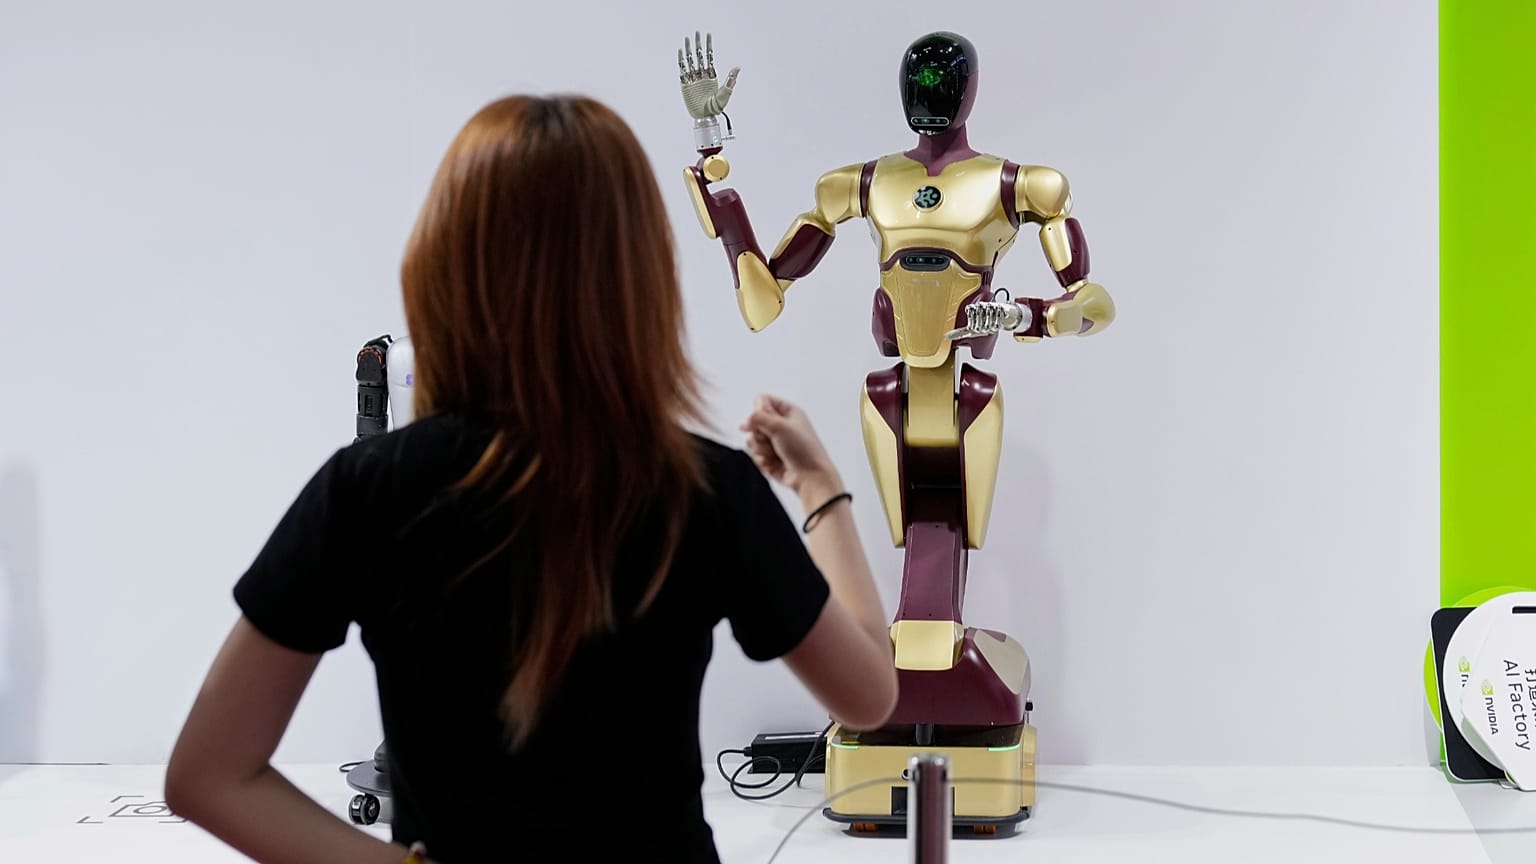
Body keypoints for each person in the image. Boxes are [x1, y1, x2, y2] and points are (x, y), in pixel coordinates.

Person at [163, 94, 897, 864]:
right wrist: (821, 488)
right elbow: (871, 696)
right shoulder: (705, 490)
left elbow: (210, 777)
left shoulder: (368, 490)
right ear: (641, 278)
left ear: (442, 264)